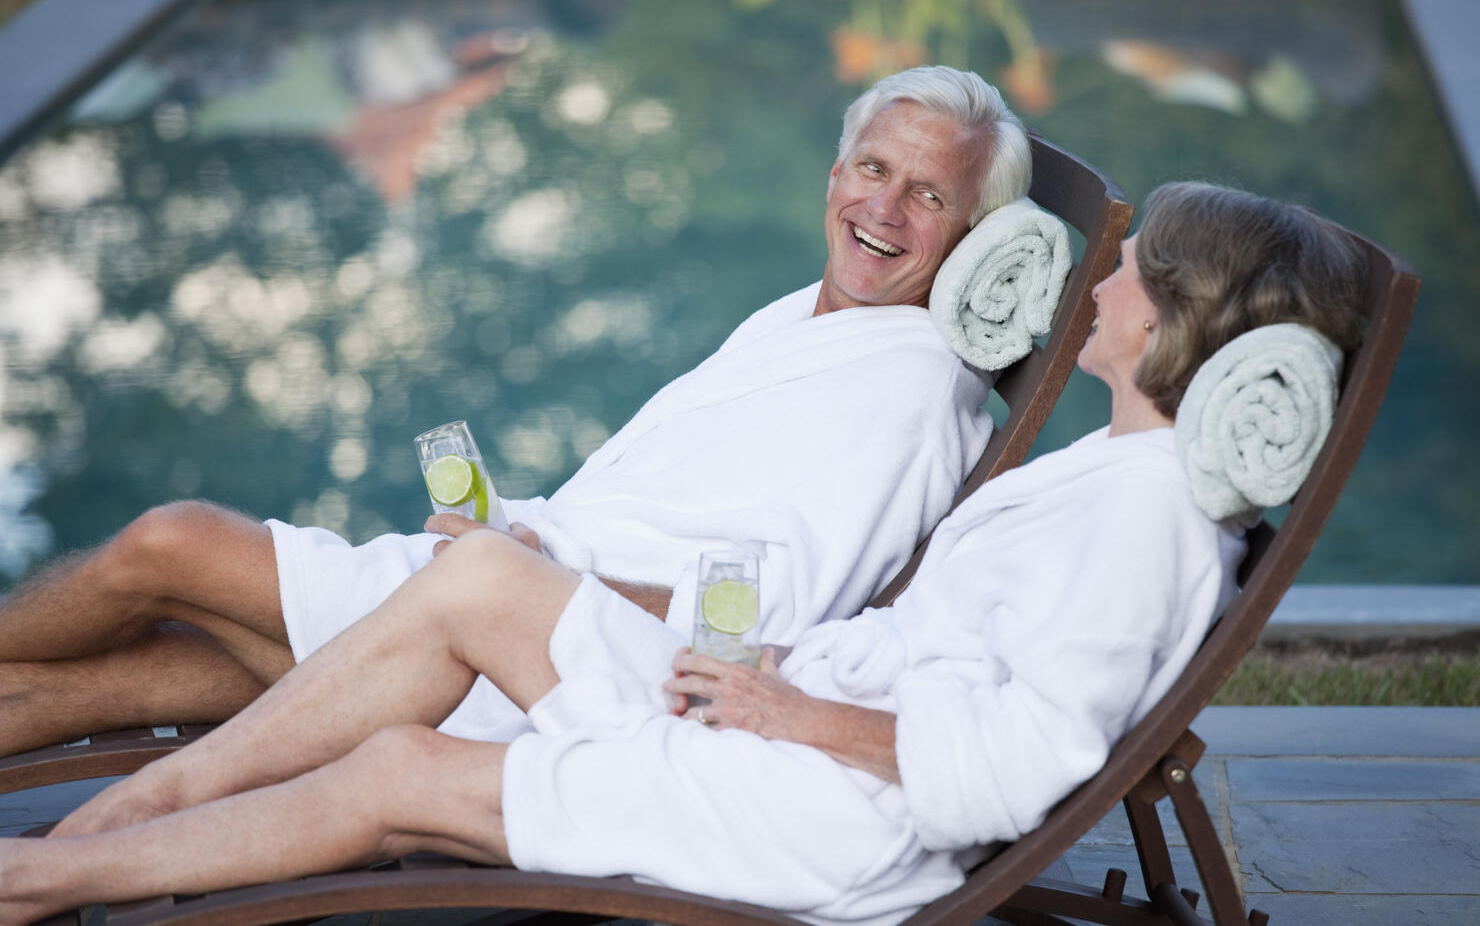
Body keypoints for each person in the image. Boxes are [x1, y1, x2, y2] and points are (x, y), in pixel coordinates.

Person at [0, 181, 1366, 925]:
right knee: (476, 581)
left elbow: (1021, 759)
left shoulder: (1145, 516)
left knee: (398, 765)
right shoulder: (1117, 472)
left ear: (1179, 317)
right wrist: (773, 672)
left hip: (828, 800)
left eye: (1129, 271)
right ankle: (120, 825)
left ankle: (58, 866)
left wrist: (791, 703)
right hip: (783, 706)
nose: (1100, 282)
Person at [0, 66, 1033, 755]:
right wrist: (521, 537)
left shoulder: (908, 392)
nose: (883, 212)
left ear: (974, 237)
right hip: (523, 584)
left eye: (930, 197)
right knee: (162, 668)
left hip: (554, 660)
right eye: (872, 169)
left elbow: (765, 624)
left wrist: (538, 571)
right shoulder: (809, 320)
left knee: (168, 545)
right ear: (835, 170)